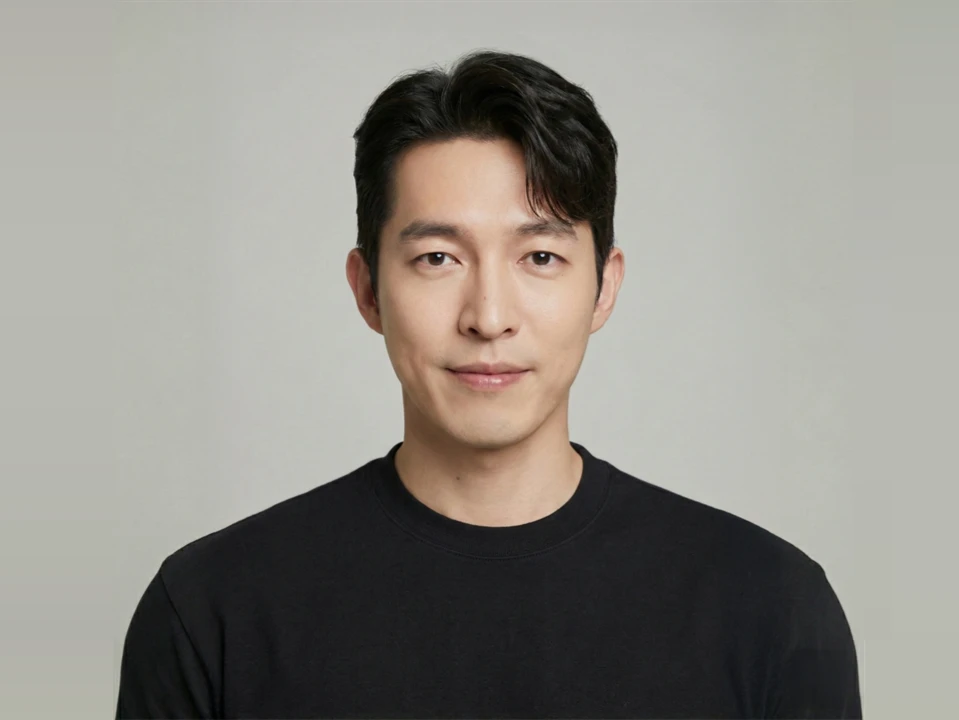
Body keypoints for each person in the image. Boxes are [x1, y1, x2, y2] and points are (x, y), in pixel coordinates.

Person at [115, 49, 862, 719]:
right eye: (438, 258)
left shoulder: (770, 608)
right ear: (367, 290)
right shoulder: (212, 611)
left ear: (603, 288)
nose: (489, 317)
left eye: (539, 257)